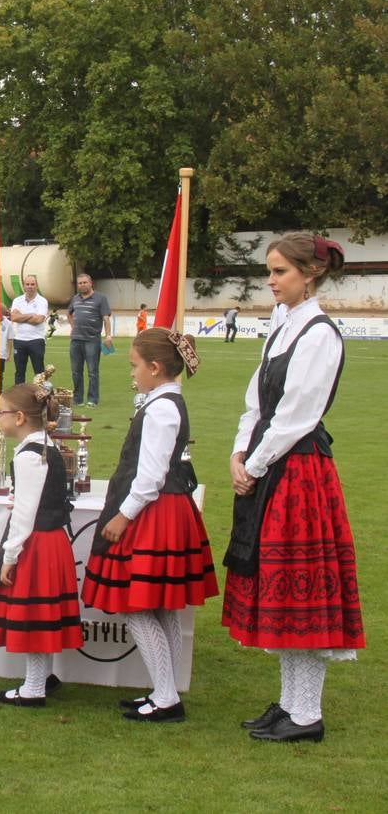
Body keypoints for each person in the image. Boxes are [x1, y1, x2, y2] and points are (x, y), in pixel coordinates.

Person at [222, 232, 362, 743]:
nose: (272, 280)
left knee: (299, 595)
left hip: (299, 474)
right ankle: (289, 703)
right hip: (271, 467)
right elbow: (256, 402)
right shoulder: (283, 327)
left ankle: (307, 714)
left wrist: (254, 463)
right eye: (271, 270)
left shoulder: (320, 333)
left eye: (280, 271)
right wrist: (240, 453)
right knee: (280, 593)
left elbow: (297, 415)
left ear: (310, 274)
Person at [81, 329, 216, 723]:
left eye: (135, 366)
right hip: (166, 508)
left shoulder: (161, 408)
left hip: (154, 512)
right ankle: (165, 690)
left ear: (155, 368)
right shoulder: (165, 400)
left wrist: (124, 514)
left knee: (138, 606)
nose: (132, 374)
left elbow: (151, 474)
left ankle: (166, 695)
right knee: (161, 607)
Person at [0, 380, 82, 705]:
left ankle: (33, 687)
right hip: (51, 539)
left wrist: (9, 555)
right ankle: (42, 677)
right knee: (42, 611)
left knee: (33, 612)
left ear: (19, 417)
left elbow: (25, 513)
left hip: (37, 543)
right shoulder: (45, 446)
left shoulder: (29, 455)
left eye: (1, 412)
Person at [66, 273, 113, 406]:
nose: (82, 285)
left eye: (84, 282)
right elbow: (69, 313)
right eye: (80, 283)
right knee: (76, 372)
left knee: (92, 372)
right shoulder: (75, 298)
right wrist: (72, 327)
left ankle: (93, 400)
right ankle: (78, 399)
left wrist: (108, 335)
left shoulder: (101, 298)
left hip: (92, 340)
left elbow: (106, 318)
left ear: (91, 283)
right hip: (76, 340)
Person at [9, 275, 49, 384]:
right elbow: (13, 317)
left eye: (32, 284)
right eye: (27, 284)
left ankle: (42, 398)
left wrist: (21, 316)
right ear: (24, 286)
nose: (30, 286)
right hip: (19, 340)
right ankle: (19, 398)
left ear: (36, 285)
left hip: (36, 340)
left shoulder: (42, 301)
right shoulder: (17, 300)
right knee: (19, 372)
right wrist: (31, 315)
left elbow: (39, 319)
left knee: (39, 372)